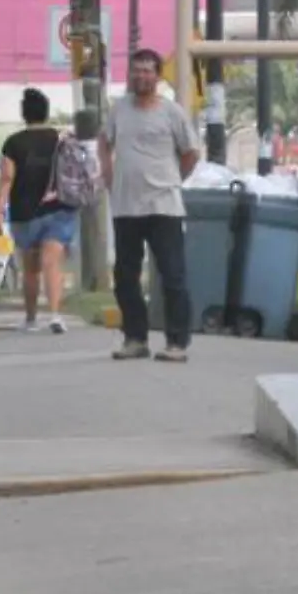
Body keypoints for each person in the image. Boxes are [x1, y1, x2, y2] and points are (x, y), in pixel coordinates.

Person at [101, 48, 200, 362]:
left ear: (158, 76)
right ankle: (135, 338)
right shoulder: (119, 110)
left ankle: (176, 343)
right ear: (130, 74)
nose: (141, 75)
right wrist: (108, 173)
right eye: (137, 70)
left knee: (172, 276)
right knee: (125, 277)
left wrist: (172, 179)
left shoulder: (172, 112)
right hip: (126, 206)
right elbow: (105, 141)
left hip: (164, 206)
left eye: (148, 70)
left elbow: (191, 153)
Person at [0, 88, 74, 334]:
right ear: (46, 113)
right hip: (59, 208)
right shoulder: (61, 140)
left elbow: (7, 178)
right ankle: (56, 315)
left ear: (24, 114)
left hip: (24, 213)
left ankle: (30, 319)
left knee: (30, 269)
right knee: (52, 263)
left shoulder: (14, 143)